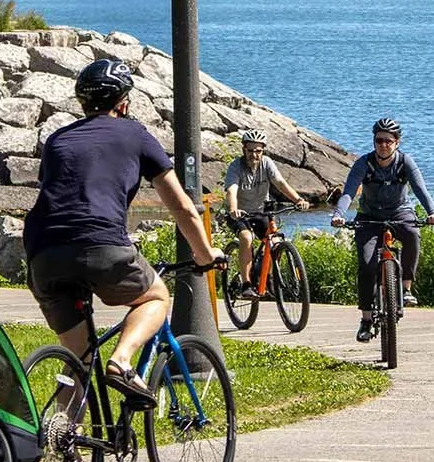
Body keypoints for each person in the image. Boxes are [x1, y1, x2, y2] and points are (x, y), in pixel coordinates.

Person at [23, 59, 221, 415]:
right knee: (155, 296)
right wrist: (205, 254)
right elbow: (183, 208)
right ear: (124, 103)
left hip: (42, 253)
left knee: (79, 359)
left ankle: (68, 450)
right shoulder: (135, 134)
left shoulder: (58, 140)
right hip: (100, 244)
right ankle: (123, 362)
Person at [331, 118, 434, 341]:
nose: (383, 145)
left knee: (412, 234)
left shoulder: (405, 162)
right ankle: (366, 319)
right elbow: (349, 191)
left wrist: (433, 212)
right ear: (374, 141)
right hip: (369, 216)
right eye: (379, 140)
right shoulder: (363, 163)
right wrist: (338, 214)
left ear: (397, 143)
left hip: (400, 211)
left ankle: (406, 288)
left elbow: (420, 190)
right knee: (366, 263)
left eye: (388, 141)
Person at [223, 129, 306, 289]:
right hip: (240, 215)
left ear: (263, 151)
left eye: (258, 151)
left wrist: (298, 199)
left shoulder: (266, 163)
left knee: (276, 242)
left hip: (261, 212)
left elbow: (280, 183)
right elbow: (231, 190)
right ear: (243, 149)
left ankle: (266, 277)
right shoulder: (235, 166)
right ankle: (246, 284)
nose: (254, 155)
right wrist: (234, 209)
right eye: (250, 151)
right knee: (247, 238)